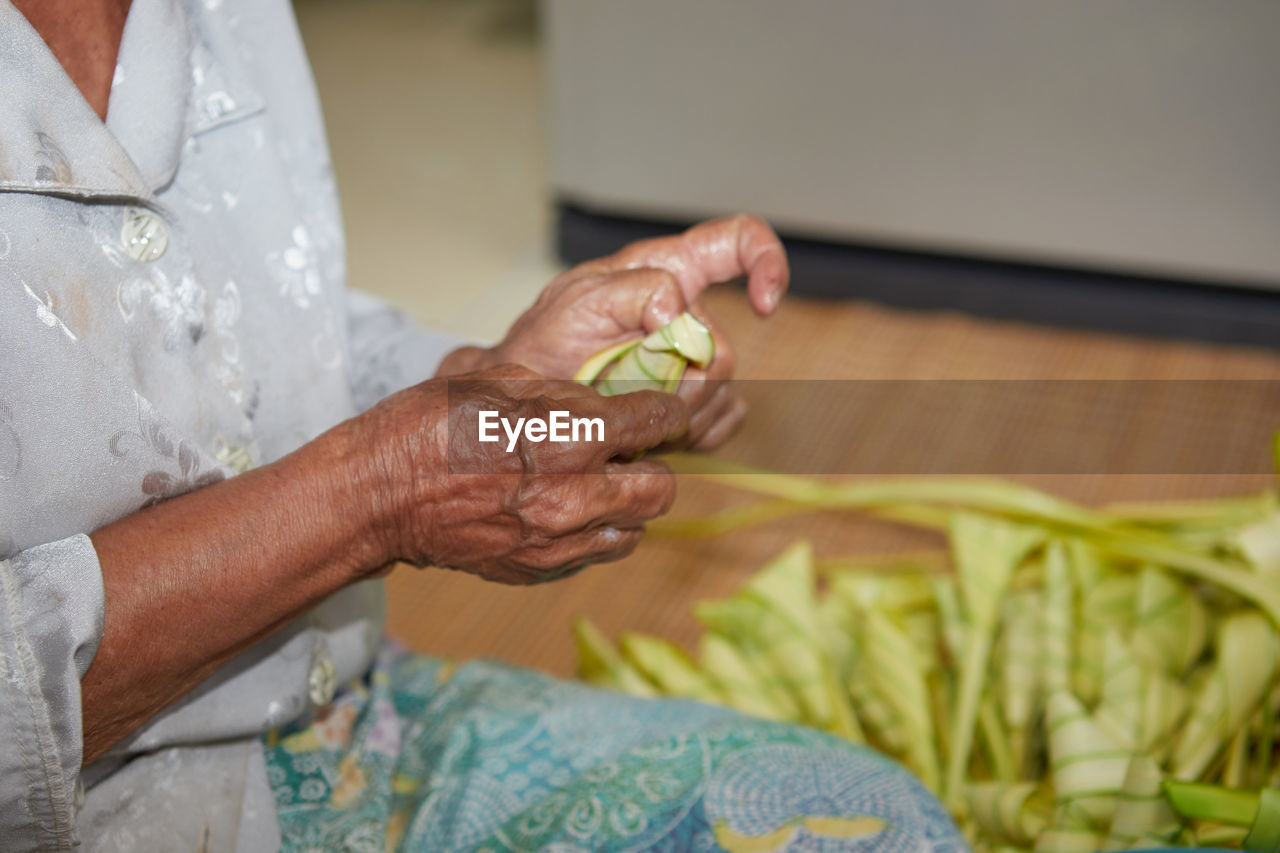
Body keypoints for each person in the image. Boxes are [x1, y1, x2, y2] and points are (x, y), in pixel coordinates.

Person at [0, 0, 965, 850]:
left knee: (873, 825)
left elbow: (256, 330)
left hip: (342, 718)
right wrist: (373, 499)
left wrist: (495, 373)